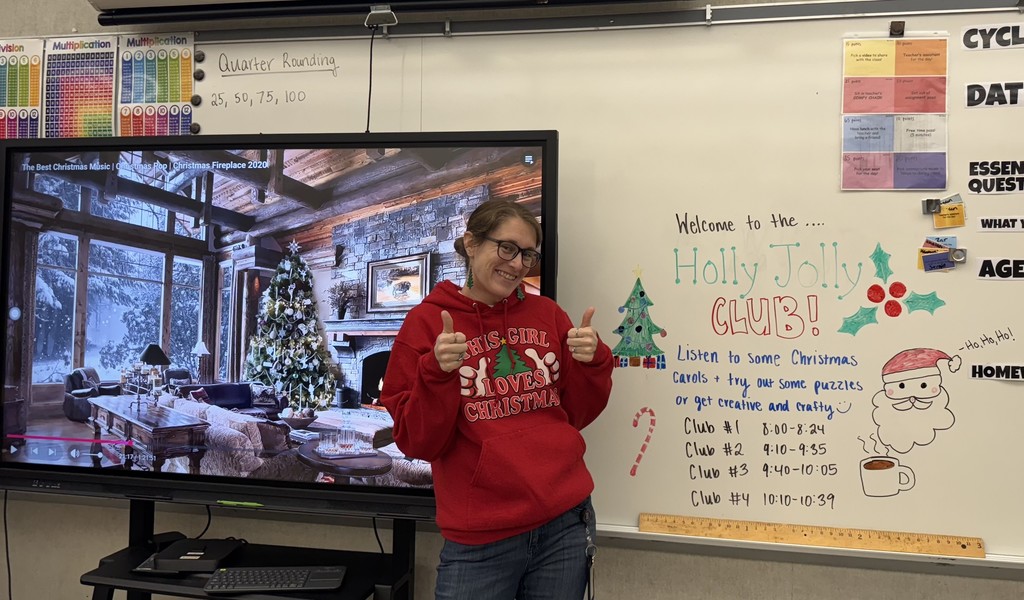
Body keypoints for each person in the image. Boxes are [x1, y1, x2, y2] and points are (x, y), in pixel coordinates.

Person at [380, 198, 614, 600]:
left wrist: (594, 362)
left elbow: (574, 413)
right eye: (506, 247)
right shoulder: (425, 323)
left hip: (566, 523)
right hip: (480, 539)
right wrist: (436, 374)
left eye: (528, 255)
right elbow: (416, 442)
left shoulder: (548, 314)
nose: (518, 264)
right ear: (471, 243)